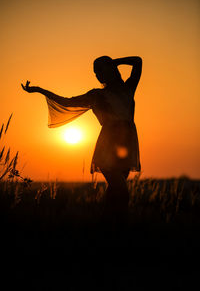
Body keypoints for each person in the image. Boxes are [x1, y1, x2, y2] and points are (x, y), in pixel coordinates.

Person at [21, 55, 142, 225]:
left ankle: (109, 227)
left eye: (100, 70)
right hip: (107, 147)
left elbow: (138, 61)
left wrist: (114, 61)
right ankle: (120, 226)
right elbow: (67, 102)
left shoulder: (128, 88)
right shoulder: (97, 95)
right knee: (122, 192)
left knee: (115, 193)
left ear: (111, 69)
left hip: (127, 145)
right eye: (95, 72)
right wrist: (40, 90)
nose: (97, 75)